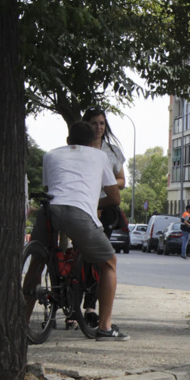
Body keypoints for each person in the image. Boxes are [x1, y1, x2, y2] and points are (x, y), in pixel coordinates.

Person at [24, 121, 128, 341]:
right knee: (109, 263)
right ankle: (105, 327)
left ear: (68, 140)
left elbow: (54, 186)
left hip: (49, 209)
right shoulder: (99, 156)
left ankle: (22, 322)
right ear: (92, 143)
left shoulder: (50, 155)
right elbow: (115, 197)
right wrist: (94, 205)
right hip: (78, 212)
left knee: (37, 262)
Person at [82, 108, 127, 323]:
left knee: (98, 258)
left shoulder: (112, 151)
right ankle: (72, 304)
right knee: (77, 256)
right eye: (94, 123)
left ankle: (91, 308)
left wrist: (105, 180)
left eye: (102, 123)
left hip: (105, 207)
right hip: (81, 206)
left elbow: (121, 181)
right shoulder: (79, 149)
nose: (98, 127)